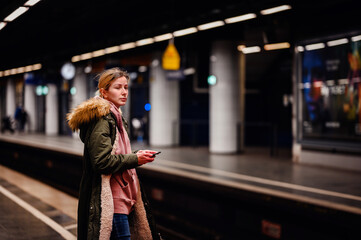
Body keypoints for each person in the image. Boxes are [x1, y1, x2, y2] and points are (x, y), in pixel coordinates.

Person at [67, 68, 161, 240]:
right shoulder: (103, 119)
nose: (124, 92)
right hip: (113, 200)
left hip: (123, 197)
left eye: (126, 87)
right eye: (118, 87)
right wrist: (135, 159)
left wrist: (136, 155)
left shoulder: (115, 116)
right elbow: (101, 162)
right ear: (104, 91)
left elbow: (115, 153)